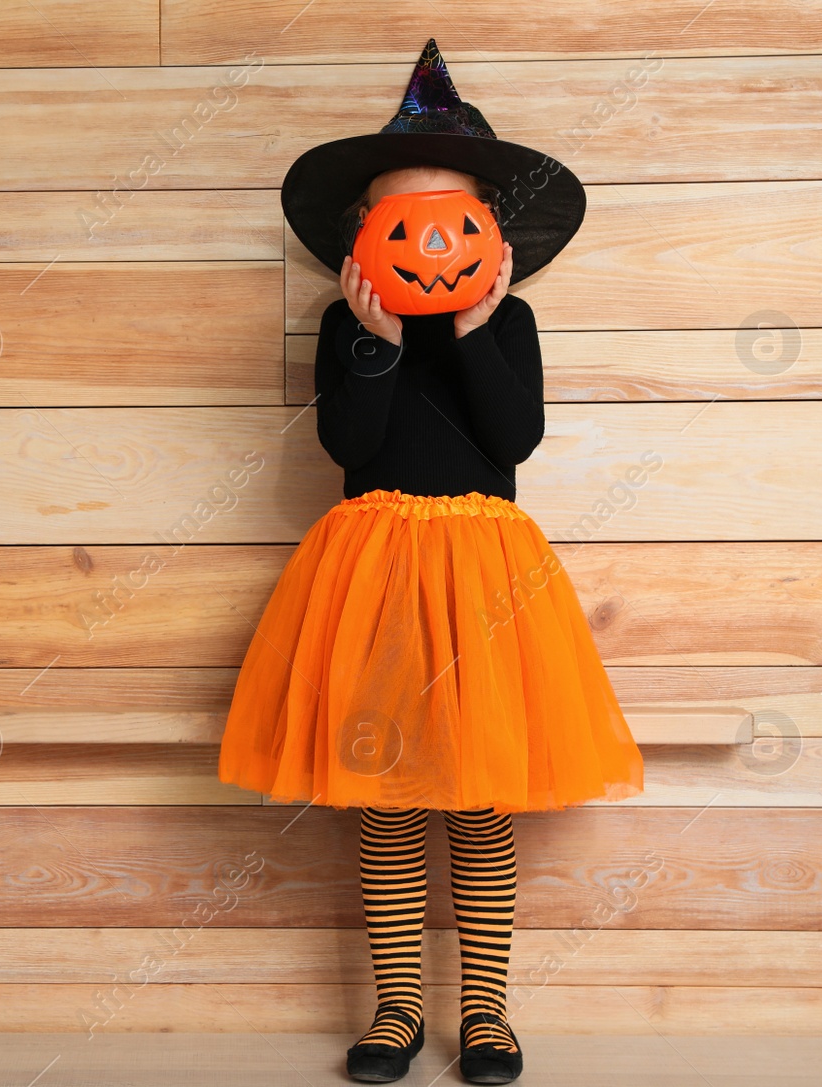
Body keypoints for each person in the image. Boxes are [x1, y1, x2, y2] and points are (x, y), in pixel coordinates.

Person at [216, 38, 645, 1085]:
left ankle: (487, 1015)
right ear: (363, 240)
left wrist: (468, 325)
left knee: (481, 794)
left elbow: (511, 439)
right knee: (387, 793)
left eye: (454, 221)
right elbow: (350, 448)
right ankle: (397, 1007)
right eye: (401, 222)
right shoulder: (343, 327)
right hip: (371, 576)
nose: (430, 240)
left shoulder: (513, 322)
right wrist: (376, 339)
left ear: (491, 239)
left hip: (486, 579)